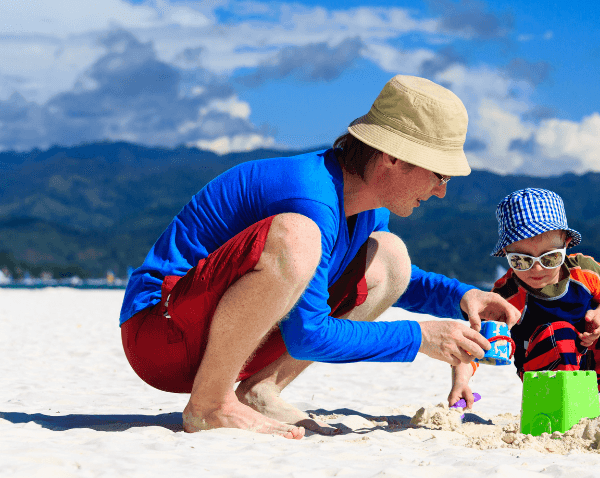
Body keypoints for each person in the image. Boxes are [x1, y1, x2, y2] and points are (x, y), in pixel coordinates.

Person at [119, 75, 520, 439]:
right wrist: (420, 337)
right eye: (440, 173)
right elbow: (308, 334)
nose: (441, 190)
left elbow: (392, 279)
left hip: (220, 338)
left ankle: (260, 390)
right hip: (159, 333)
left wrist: (461, 295)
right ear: (393, 158)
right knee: (297, 237)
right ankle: (209, 405)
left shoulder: (365, 205)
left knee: (391, 256)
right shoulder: (309, 198)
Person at [448, 188, 600, 409]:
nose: (537, 269)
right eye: (521, 260)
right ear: (506, 253)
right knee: (559, 332)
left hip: (593, 364)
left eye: (550, 258)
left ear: (566, 244)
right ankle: (563, 407)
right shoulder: (507, 294)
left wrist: (599, 317)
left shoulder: (584, 271)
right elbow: (476, 341)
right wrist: (461, 381)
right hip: (545, 372)